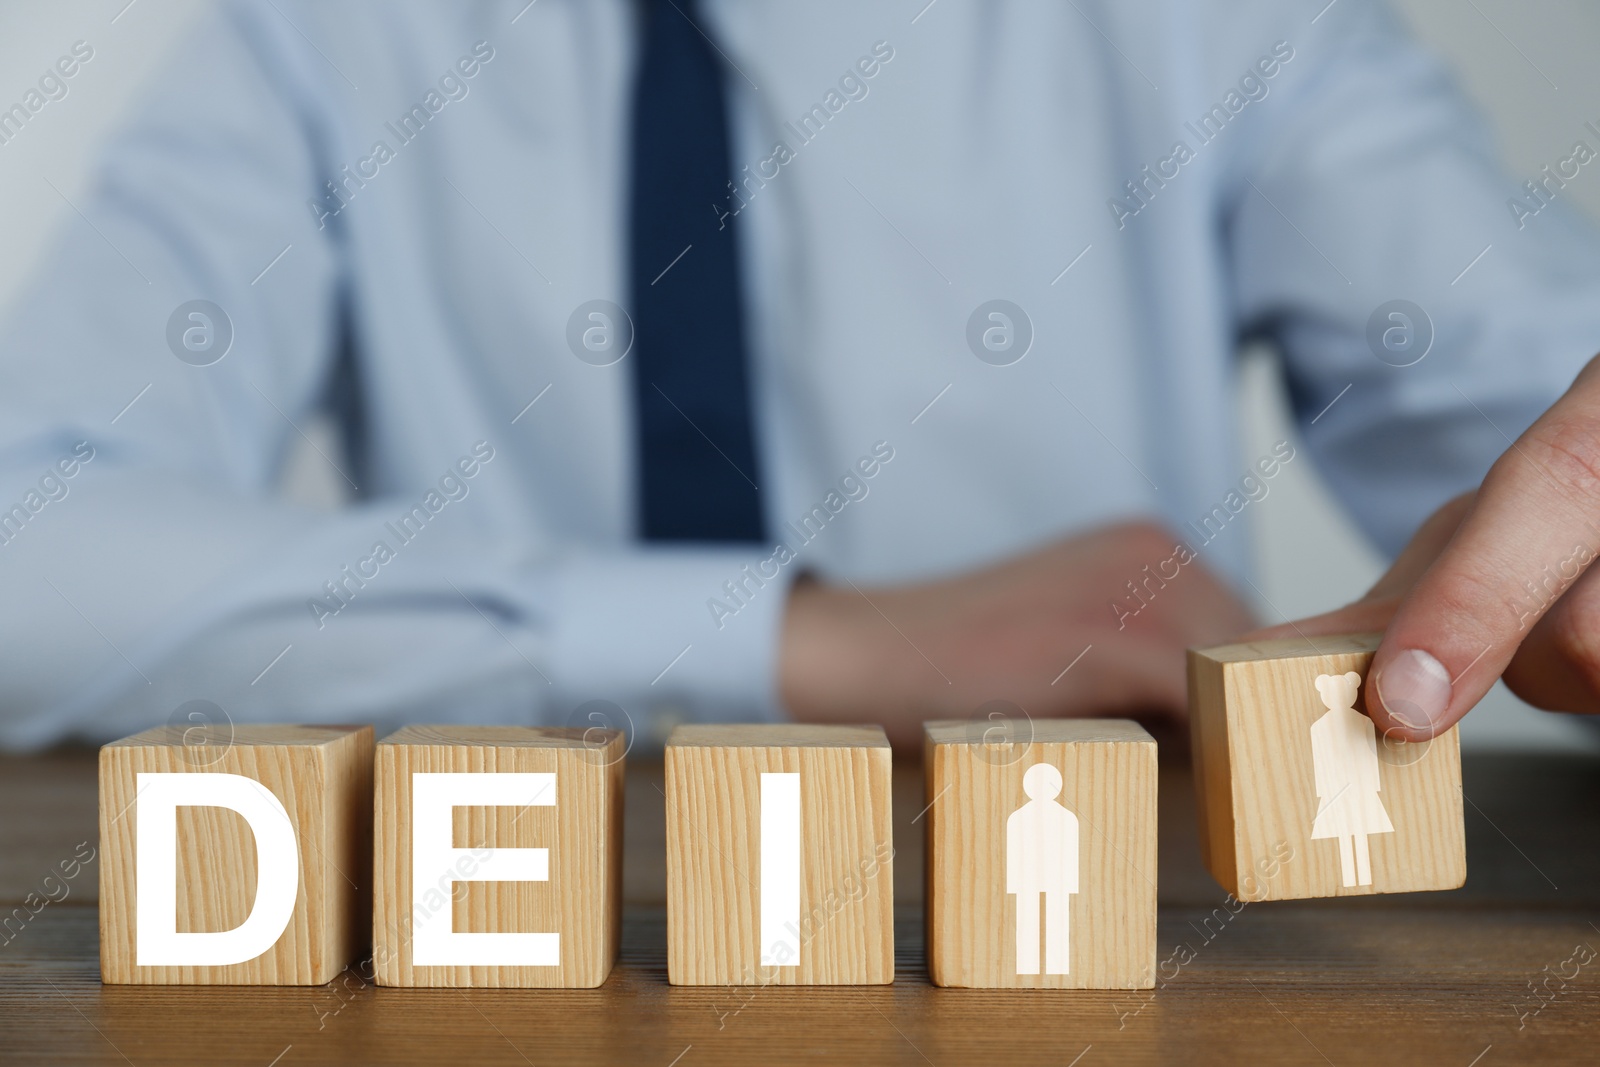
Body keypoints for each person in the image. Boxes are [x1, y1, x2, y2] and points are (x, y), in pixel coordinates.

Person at [2, 0, 1600, 750]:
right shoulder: (319, 37)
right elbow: (25, 550)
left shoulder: (1228, 24)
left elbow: (1552, 475)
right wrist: (786, 641)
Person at [1308, 671, 1392, 888]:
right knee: (1346, 831)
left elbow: (1370, 755)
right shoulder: (1318, 727)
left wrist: (1373, 784)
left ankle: (1362, 878)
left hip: (1358, 785)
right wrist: (1323, 789)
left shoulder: (1363, 722)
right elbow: (1320, 760)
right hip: (1337, 787)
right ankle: (1352, 879)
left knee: (1359, 829)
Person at [1007, 763, 1079, 975]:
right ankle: (1032, 966)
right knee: (1029, 921)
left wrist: (1070, 883)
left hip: (1046, 879)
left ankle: (1052, 966)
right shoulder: (1019, 817)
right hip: (1031, 878)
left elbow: (1070, 852)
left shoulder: (1066, 818)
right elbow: (1014, 851)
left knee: (1053, 920)